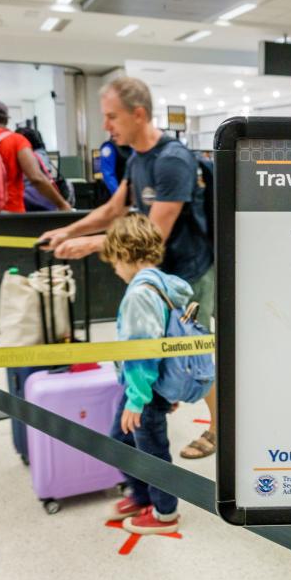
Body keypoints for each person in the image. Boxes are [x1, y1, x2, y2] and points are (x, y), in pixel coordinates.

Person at [38, 77, 218, 460]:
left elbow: (153, 233)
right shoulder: (137, 158)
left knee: (195, 354)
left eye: (111, 116)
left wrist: (90, 244)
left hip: (188, 274)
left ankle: (219, 430)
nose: (106, 126)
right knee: (160, 352)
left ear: (138, 114)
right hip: (158, 275)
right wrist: (67, 230)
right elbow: (113, 210)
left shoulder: (172, 162)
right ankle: (155, 423)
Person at [102, 213, 187, 534]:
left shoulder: (139, 294)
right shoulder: (161, 281)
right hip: (150, 384)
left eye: (114, 262)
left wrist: (137, 399)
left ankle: (165, 513)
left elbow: (142, 348)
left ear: (125, 254)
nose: (115, 269)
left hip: (143, 388)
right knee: (123, 438)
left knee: (150, 447)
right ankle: (141, 495)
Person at [0, 100, 71, 213]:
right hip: (10, 213)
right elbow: (36, 178)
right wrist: (62, 204)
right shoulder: (17, 141)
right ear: (6, 121)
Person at [15, 127, 74, 212]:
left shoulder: (31, 157)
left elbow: (35, 179)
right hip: (45, 201)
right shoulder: (42, 154)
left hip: (35, 203)